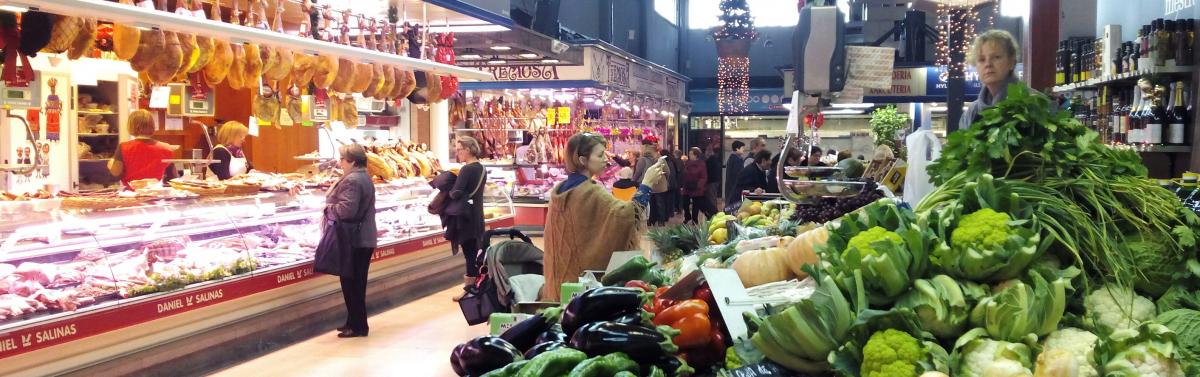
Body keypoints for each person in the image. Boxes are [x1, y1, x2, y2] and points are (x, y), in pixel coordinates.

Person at [543, 132, 665, 300]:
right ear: (582, 160)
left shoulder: (561, 189)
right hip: (581, 289)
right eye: (600, 155)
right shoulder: (590, 191)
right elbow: (627, 216)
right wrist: (647, 184)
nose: (605, 159)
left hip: (558, 283)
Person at [324, 144, 377, 338]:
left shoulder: (353, 180)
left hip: (356, 239)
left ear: (352, 161)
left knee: (351, 282)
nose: (340, 163)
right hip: (363, 237)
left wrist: (328, 209)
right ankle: (353, 321)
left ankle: (358, 326)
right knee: (356, 282)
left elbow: (346, 211)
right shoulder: (363, 176)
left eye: (342, 159)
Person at [448, 136, 488, 302]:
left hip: (465, 217)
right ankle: (479, 286)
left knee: (469, 254)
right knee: (476, 253)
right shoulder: (481, 169)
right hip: (477, 215)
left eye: (460, 149)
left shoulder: (466, 169)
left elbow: (456, 192)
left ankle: (469, 289)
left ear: (469, 149)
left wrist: (449, 188)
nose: (458, 153)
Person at [961, 29, 1025, 130]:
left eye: (996, 57)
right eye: (981, 59)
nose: (988, 64)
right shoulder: (971, 113)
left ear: (1012, 62)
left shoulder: (1032, 105)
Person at [108, 109, 178, 189]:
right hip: (155, 195)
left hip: (131, 196)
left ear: (131, 126)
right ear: (152, 125)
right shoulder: (166, 148)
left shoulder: (124, 147)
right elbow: (173, 178)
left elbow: (114, 176)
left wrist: (110, 165)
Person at [682, 147, 714, 224]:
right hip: (687, 186)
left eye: (691, 154)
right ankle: (687, 216)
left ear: (696, 155)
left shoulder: (701, 164)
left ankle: (694, 219)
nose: (689, 155)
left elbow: (703, 177)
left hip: (696, 187)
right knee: (685, 203)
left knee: (696, 205)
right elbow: (684, 174)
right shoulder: (687, 163)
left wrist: (699, 185)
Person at [723, 141, 747, 211]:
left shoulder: (732, 158)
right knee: (734, 206)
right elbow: (738, 175)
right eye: (742, 148)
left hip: (730, 186)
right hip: (735, 187)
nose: (743, 150)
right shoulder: (737, 160)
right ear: (737, 149)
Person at [704, 144, 723, 213]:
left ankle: (714, 211)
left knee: (711, 197)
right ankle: (714, 210)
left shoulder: (709, 161)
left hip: (711, 181)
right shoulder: (715, 159)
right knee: (713, 196)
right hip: (715, 180)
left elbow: (708, 172)